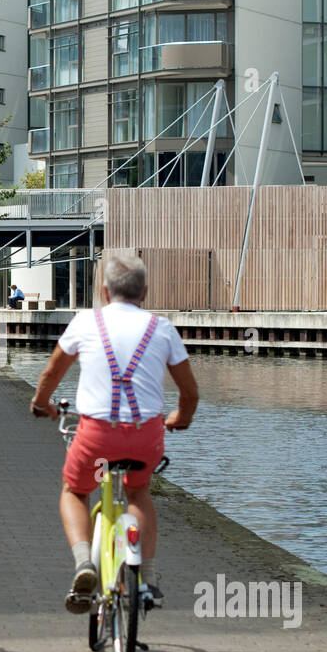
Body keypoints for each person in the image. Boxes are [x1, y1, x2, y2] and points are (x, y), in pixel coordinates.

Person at [30, 253, 199, 614]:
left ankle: (84, 564)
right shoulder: (162, 328)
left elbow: (51, 374)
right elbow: (189, 393)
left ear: (105, 292)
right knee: (138, 491)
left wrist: (40, 404)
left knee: (75, 490)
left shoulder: (85, 322)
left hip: (96, 437)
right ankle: (148, 580)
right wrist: (180, 418)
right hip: (146, 435)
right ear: (145, 293)